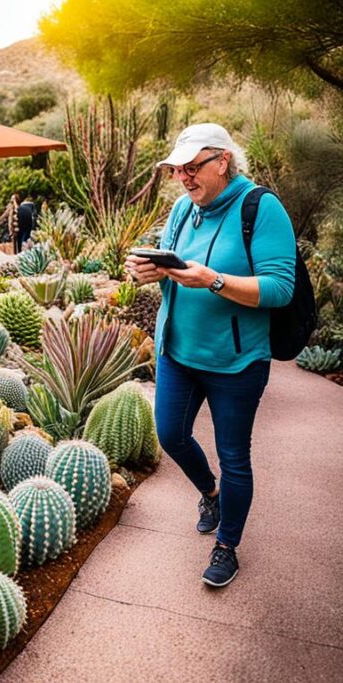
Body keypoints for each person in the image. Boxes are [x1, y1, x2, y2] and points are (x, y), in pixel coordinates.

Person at [125, 123, 295, 588]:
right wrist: (148, 272)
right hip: (178, 353)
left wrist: (214, 280)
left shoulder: (261, 208)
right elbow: (172, 272)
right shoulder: (183, 209)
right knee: (171, 436)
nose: (184, 178)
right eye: (178, 170)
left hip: (236, 363)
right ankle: (210, 492)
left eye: (193, 168)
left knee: (234, 454)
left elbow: (280, 288)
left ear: (222, 161)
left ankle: (227, 546)